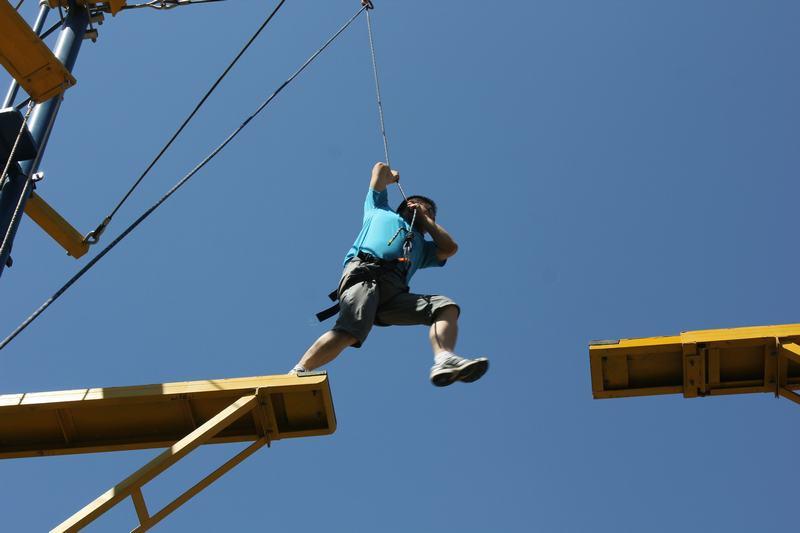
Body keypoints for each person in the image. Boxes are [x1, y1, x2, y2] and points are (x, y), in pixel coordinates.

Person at [290, 162, 488, 387]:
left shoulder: (422, 246)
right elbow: (379, 169)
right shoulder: (379, 210)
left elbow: (449, 248)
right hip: (365, 275)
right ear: (407, 204)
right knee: (350, 331)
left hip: (393, 293)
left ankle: (443, 358)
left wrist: (427, 221)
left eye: (430, 212)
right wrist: (391, 178)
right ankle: (299, 371)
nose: (424, 211)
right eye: (423, 207)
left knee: (444, 307)